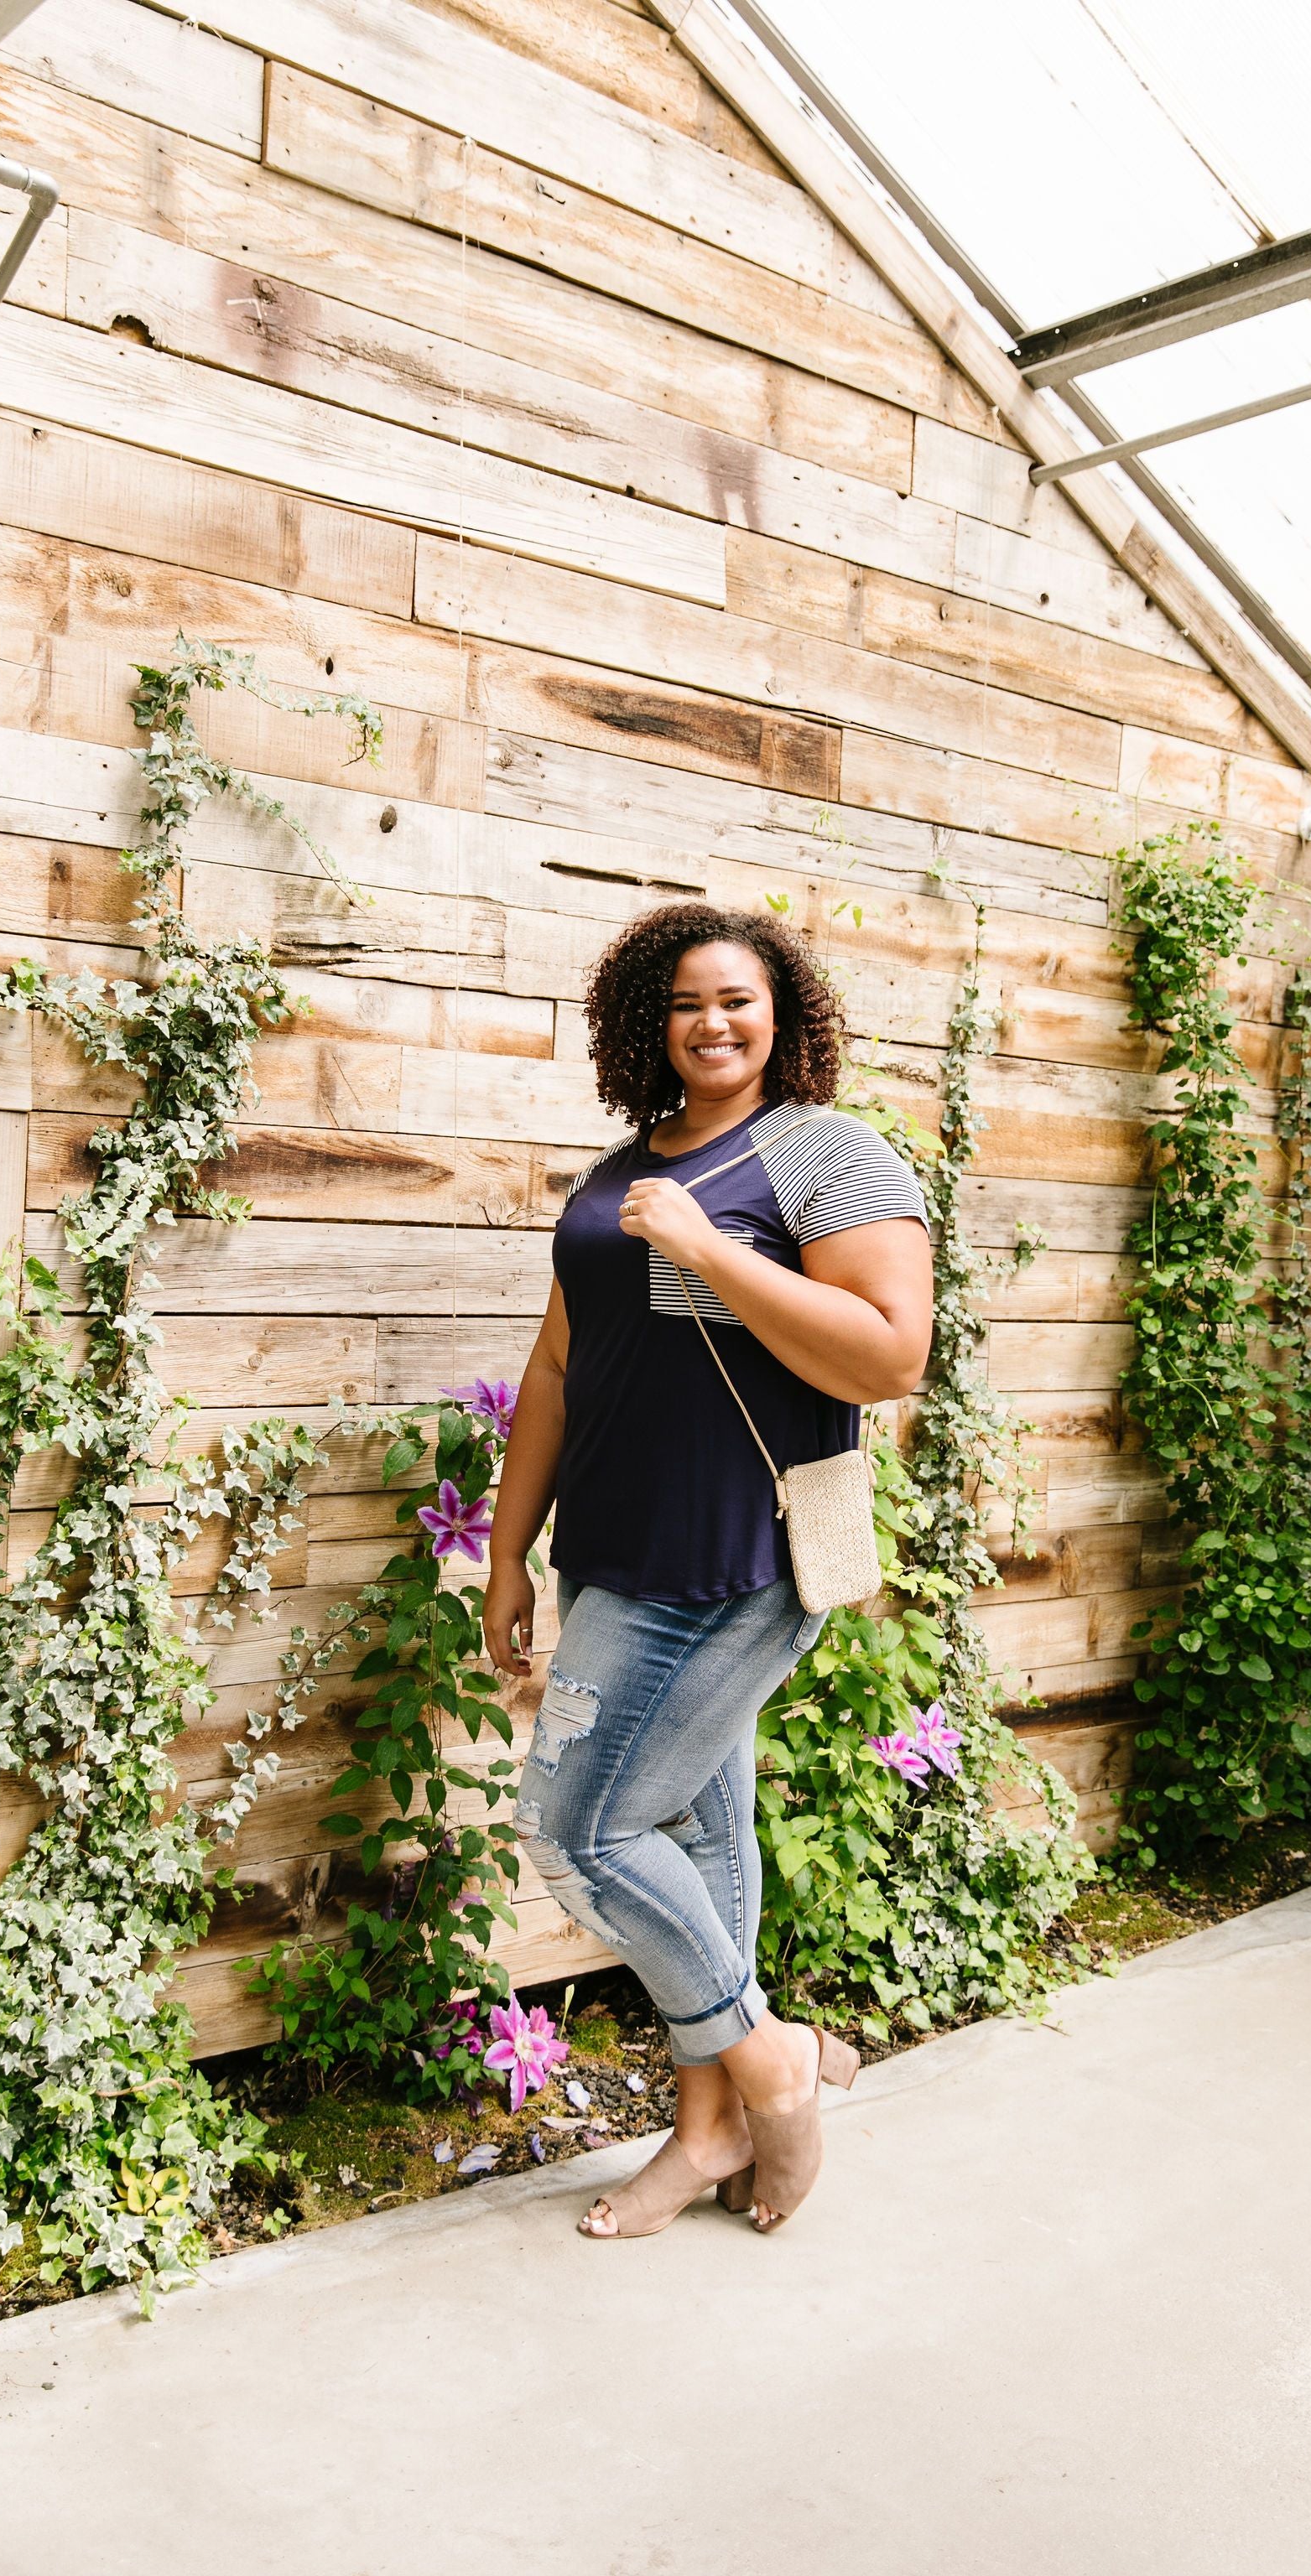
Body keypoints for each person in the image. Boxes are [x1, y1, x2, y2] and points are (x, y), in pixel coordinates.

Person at [482, 903, 934, 2236]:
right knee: (699, 1828)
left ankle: (770, 2062)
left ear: (780, 1009)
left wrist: (707, 1249)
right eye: (685, 1003)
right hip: (617, 1555)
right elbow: (559, 1369)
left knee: (580, 1828)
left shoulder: (823, 1156)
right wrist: (509, 1549)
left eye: (737, 998)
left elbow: (891, 1355)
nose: (714, 1022)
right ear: (648, 1025)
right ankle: (711, 2130)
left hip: (735, 1562)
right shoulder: (621, 1173)